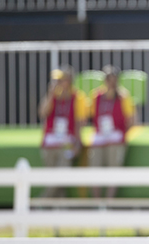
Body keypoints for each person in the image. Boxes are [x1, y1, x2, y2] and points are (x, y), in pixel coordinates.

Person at [38, 66, 88, 198]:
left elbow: (79, 123)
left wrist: (78, 143)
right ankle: (60, 207)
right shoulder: (53, 96)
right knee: (53, 178)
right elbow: (43, 113)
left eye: (61, 80)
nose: (58, 83)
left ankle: (42, 201)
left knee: (61, 175)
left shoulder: (78, 97)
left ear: (69, 80)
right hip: (51, 141)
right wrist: (50, 94)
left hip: (67, 142)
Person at [88, 65, 136, 198]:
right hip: (100, 137)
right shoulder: (96, 96)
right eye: (109, 79)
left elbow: (132, 120)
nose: (111, 83)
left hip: (115, 138)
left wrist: (121, 135)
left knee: (114, 170)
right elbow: (91, 117)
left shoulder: (123, 97)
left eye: (114, 79)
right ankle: (97, 202)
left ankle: (109, 202)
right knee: (95, 169)